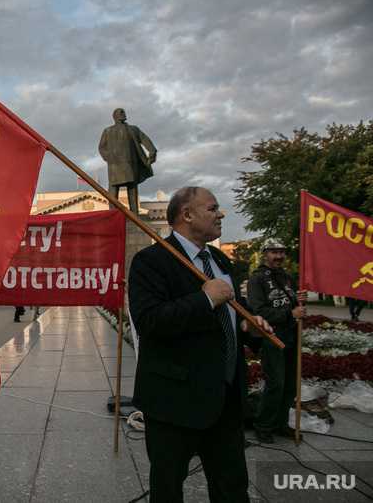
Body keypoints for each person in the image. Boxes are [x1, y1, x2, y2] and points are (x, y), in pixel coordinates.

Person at [128, 187, 272, 502]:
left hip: (225, 400)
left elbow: (234, 313)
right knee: (167, 489)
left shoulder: (220, 260)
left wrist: (250, 327)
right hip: (174, 403)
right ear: (187, 215)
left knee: (232, 488)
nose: (221, 214)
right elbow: (150, 321)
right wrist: (205, 298)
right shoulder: (151, 261)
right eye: (213, 208)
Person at [248, 239, 307, 444]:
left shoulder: (287, 277)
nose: (279, 256)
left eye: (282, 252)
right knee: (276, 384)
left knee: (290, 385)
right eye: (274, 252)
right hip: (272, 337)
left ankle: (280, 424)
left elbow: (294, 306)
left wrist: (300, 300)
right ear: (265, 254)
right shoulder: (257, 279)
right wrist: (290, 313)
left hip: (291, 336)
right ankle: (263, 426)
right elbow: (258, 311)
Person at [98, 107, 157, 213]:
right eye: (120, 113)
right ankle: (113, 215)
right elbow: (102, 147)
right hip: (114, 166)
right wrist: (109, 158)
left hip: (130, 163)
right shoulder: (107, 131)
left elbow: (145, 140)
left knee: (132, 189)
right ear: (115, 116)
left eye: (123, 112)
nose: (123, 114)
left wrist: (152, 152)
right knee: (113, 190)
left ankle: (134, 216)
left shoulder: (133, 129)